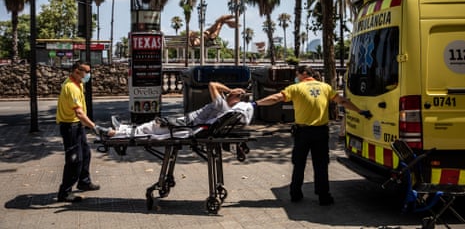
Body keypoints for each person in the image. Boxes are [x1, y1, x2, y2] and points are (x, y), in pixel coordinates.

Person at [251, 65, 372, 206]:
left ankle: (295, 194)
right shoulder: (325, 87)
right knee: (321, 164)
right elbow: (343, 101)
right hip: (321, 132)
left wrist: (256, 103)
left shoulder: (295, 88)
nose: (296, 77)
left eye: (297, 74)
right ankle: (324, 196)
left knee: (299, 163)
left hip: (302, 133)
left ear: (303, 74)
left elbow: (276, 98)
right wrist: (360, 111)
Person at [98, 82, 252, 138]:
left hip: (185, 125)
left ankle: (115, 133)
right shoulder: (224, 107)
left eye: (234, 94)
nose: (230, 93)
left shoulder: (221, 105)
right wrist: (233, 92)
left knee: (150, 128)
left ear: (236, 98)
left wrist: (230, 89)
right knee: (150, 126)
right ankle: (121, 128)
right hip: (187, 123)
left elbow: (212, 84)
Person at [56, 61, 101, 203]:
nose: (88, 74)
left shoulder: (77, 83)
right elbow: (80, 113)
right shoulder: (71, 87)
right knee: (75, 160)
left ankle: (84, 181)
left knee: (86, 153)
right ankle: (64, 192)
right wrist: (95, 127)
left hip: (77, 125)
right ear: (76, 71)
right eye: (86, 72)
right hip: (70, 127)